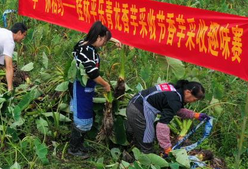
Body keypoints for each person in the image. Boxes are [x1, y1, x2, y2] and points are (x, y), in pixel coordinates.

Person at [68, 21, 122, 158]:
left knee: (84, 116)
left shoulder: (82, 44)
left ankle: (79, 145)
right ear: (98, 37)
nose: (104, 44)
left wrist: (113, 40)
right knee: (83, 118)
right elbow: (92, 73)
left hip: (85, 87)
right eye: (104, 41)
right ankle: (74, 149)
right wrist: (106, 85)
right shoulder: (87, 52)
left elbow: (96, 41)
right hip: (82, 88)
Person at [126, 80, 207, 156]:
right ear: (188, 92)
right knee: (147, 141)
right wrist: (167, 148)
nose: (193, 102)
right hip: (138, 110)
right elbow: (162, 126)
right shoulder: (174, 100)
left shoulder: (175, 89)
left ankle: (130, 148)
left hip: (135, 102)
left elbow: (175, 109)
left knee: (136, 133)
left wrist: (195, 115)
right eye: (194, 99)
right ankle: (144, 162)